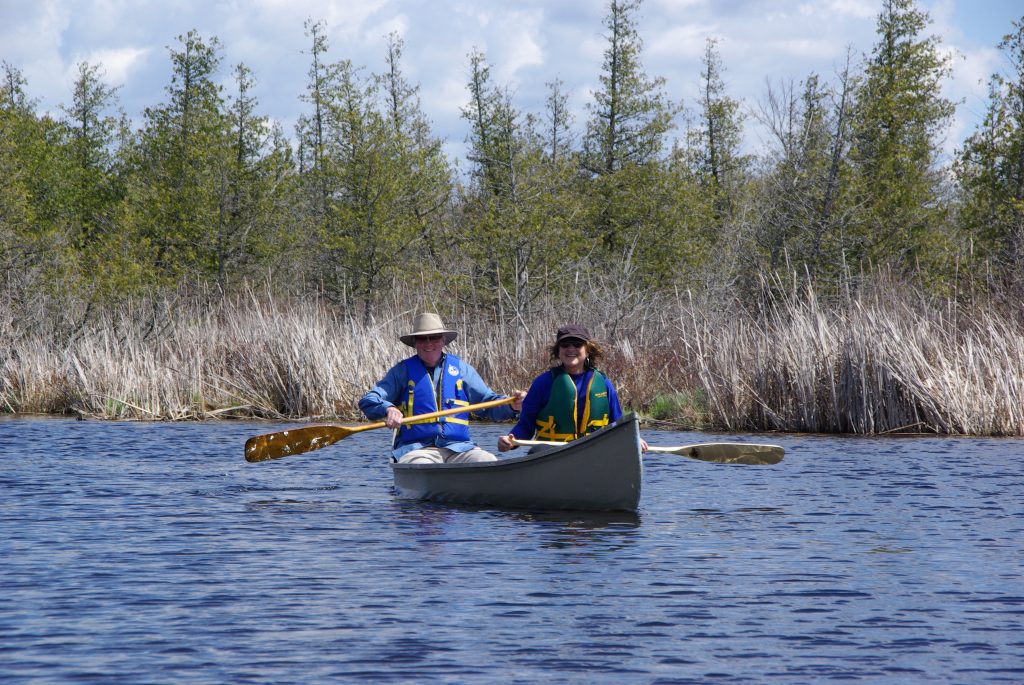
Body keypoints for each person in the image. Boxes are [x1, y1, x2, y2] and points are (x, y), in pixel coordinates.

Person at [359, 312, 525, 464]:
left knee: (487, 460)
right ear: (415, 343)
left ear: (443, 341)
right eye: (423, 339)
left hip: (459, 448)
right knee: (422, 465)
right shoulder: (402, 371)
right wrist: (389, 409)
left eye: (435, 337)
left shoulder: (462, 370)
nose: (429, 343)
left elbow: (488, 403)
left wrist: (512, 405)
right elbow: (369, 400)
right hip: (417, 449)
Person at [497, 324, 647, 452]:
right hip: (552, 451)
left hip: (592, 450)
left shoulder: (603, 382)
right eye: (565, 345)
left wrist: (633, 439)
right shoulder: (543, 383)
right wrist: (511, 441)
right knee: (539, 450)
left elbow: (618, 424)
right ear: (558, 350)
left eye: (577, 344)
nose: (571, 349)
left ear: (587, 349)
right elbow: (525, 426)